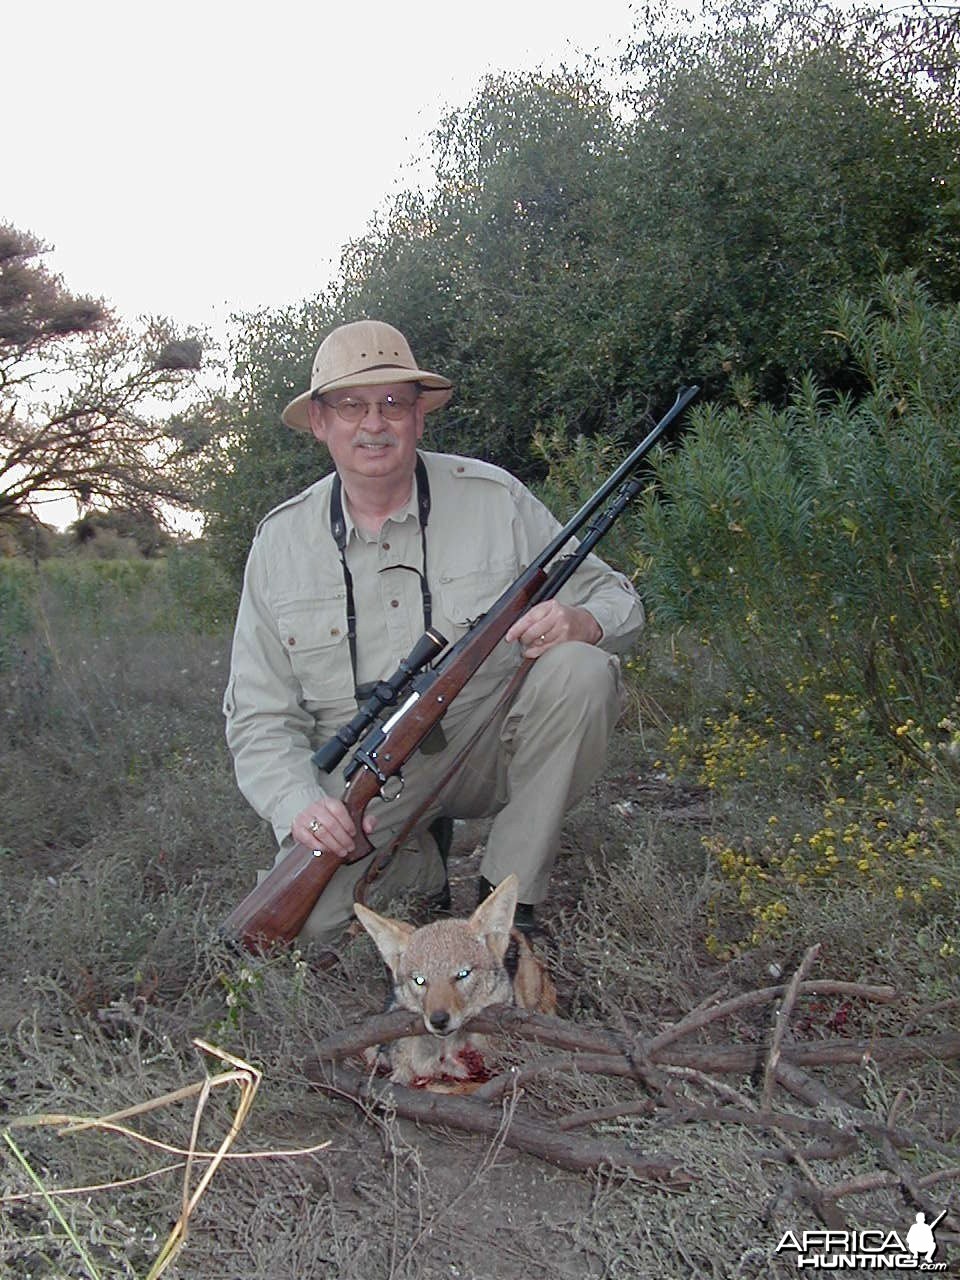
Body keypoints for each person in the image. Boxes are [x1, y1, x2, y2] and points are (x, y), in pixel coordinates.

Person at [223, 319, 645, 947]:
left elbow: (617, 598)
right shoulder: (280, 542)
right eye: (351, 405)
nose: (375, 423)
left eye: (394, 402)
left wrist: (580, 621)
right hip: (363, 777)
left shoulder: (493, 497)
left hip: (486, 740)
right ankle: (419, 865)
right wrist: (299, 807)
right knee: (306, 931)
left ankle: (510, 901)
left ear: (420, 417)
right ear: (319, 422)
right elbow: (258, 718)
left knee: (580, 670)